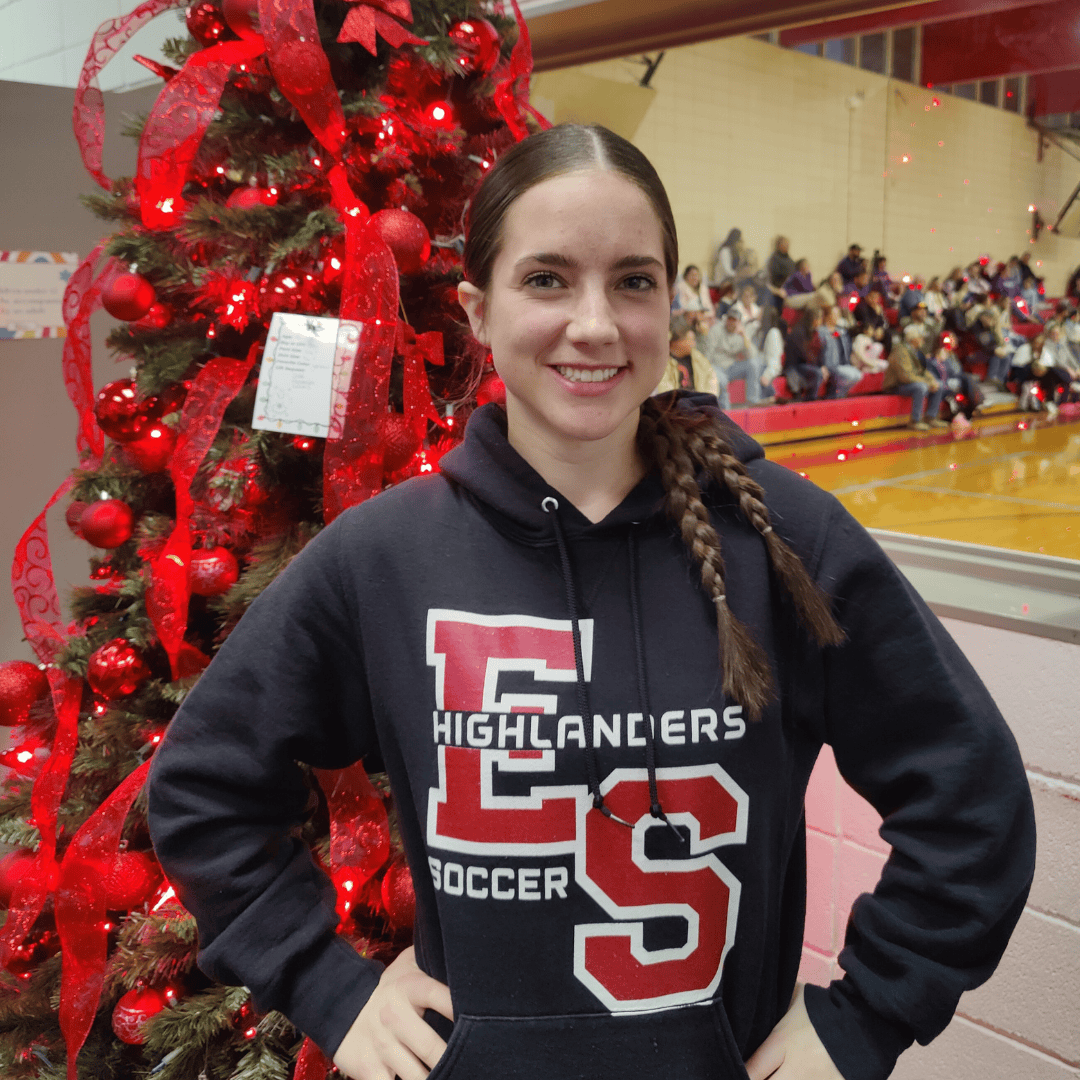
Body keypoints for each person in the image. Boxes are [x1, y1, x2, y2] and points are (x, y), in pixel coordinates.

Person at [147, 123, 1035, 1080]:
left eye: (633, 280)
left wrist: (865, 1015)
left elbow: (971, 800)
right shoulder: (384, 558)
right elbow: (205, 789)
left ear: (671, 303)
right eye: (547, 279)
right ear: (477, 310)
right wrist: (329, 987)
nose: (596, 324)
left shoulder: (788, 539)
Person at [885, 322, 948, 430]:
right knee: (921, 387)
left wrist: (932, 381)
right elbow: (905, 376)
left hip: (909, 383)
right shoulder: (901, 351)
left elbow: (923, 371)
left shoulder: (915, 351)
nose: (923, 340)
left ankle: (931, 417)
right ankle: (915, 421)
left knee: (939, 384)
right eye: (921, 338)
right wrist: (927, 383)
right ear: (914, 339)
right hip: (895, 385)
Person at [705, 309, 766, 409]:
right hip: (716, 366)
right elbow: (708, 354)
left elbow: (752, 355)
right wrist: (707, 370)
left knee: (754, 364)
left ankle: (752, 402)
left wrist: (744, 336)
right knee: (722, 380)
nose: (731, 322)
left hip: (732, 367)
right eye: (729, 319)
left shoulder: (741, 333)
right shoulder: (716, 330)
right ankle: (726, 411)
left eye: (734, 320)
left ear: (739, 322)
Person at [658, 314, 719, 395]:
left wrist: (707, 398)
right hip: (677, 404)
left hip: (699, 401)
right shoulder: (663, 363)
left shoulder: (696, 357)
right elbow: (664, 390)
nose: (693, 344)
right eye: (690, 340)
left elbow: (711, 377)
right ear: (677, 342)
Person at [816, 306, 861, 398]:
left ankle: (838, 394)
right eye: (835, 314)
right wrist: (821, 365)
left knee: (857, 375)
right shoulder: (821, 332)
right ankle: (834, 395)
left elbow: (848, 348)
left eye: (838, 314)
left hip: (843, 364)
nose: (837, 317)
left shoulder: (842, 331)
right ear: (828, 316)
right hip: (829, 365)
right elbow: (817, 351)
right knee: (847, 375)